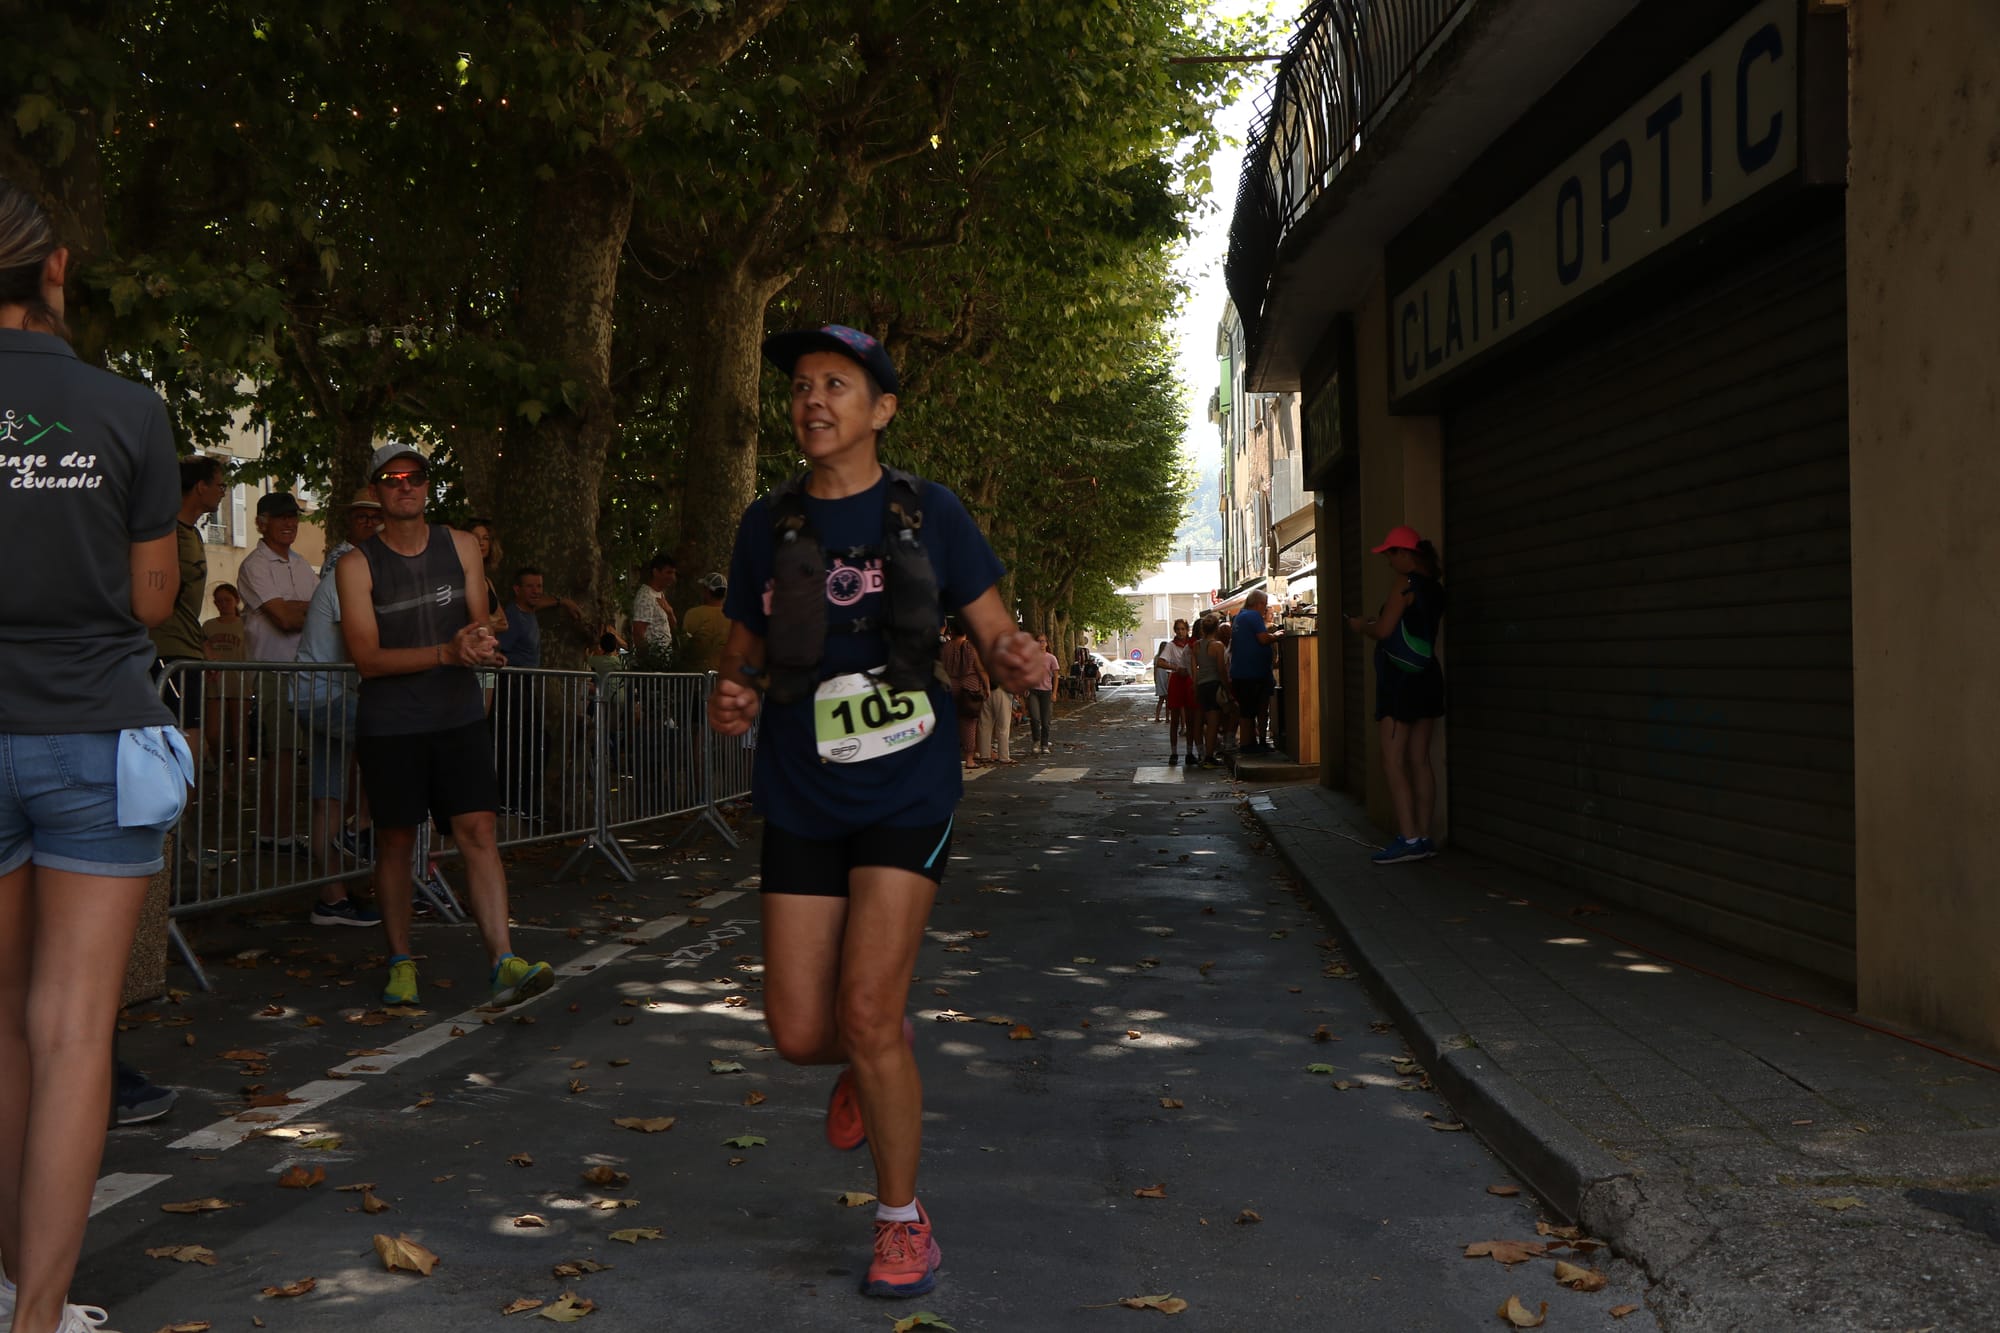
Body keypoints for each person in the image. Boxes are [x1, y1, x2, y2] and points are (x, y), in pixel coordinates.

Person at [707, 323, 1038, 1301]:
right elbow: (741, 650)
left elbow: (995, 628)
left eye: (836, 384)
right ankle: (864, 1059)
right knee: (799, 1030)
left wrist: (1020, 657)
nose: (812, 399)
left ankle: (902, 1222)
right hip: (800, 788)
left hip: (905, 784)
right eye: (802, 385)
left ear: (879, 409)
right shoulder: (766, 525)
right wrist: (728, 690)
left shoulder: (929, 511)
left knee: (867, 1010)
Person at [0, 175, 189, 1333]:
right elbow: (156, 593)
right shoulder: (129, 409)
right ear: (55, 272)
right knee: (71, 1028)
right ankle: (41, 1316)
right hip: (92, 734)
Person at [334, 443, 553, 1008]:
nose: (404, 486)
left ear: (428, 486)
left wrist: (481, 646)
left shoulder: (460, 546)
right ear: (376, 491)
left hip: (457, 715)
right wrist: (446, 654)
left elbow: (479, 623)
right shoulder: (356, 565)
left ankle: (503, 959)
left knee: (480, 831)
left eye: (414, 477)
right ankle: (401, 959)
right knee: (396, 841)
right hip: (391, 724)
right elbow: (366, 658)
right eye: (391, 478)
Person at [294, 490, 384, 925]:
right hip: (323, 695)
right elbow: (360, 646)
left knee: (326, 799)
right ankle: (362, 827)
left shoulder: (357, 572)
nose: (373, 525)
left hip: (321, 694)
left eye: (377, 518)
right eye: (363, 517)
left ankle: (332, 898)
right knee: (389, 733)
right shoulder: (348, 574)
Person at [1344, 525, 1447, 864]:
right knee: (1420, 759)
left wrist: (1362, 626)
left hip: (1400, 683)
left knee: (1392, 758)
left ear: (1406, 554)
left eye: (1391, 554)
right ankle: (1425, 836)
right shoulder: (1435, 588)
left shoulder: (1405, 584)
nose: (1388, 561)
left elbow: (1385, 630)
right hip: (1428, 677)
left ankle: (1409, 836)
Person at [235, 490, 318, 850]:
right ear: (261, 522)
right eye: (281, 517)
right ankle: (273, 833)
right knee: (280, 755)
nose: (289, 523)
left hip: (306, 671)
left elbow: (321, 614)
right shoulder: (254, 564)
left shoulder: (300, 563)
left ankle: (285, 832)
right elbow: (285, 618)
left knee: (300, 754)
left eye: (294, 517)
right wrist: (304, 610)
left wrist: (300, 610)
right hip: (274, 670)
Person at [150, 455, 226, 746]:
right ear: (199, 487)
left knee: (192, 732)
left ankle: (189, 793)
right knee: (182, 735)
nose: (223, 492)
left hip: (185, 649)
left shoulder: (192, 533)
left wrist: (202, 645)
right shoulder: (164, 532)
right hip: (165, 651)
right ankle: (181, 793)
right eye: (220, 485)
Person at [200, 582, 250, 783]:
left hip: (240, 682)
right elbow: (202, 647)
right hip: (215, 683)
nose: (223, 604)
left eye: (226, 600)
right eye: (219, 601)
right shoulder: (209, 625)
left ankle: (241, 781)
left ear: (236, 600)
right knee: (213, 733)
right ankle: (224, 772)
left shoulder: (246, 624)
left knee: (239, 735)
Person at [464, 516, 509, 714]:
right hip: (466, 657)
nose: (481, 542)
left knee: (481, 718)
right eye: (475, 537)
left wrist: (484, 622)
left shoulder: (487, 581)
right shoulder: (460, 576)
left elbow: (504, 622)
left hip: (487, 658)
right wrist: (486, 622)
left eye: (486, 538)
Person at [1230, 591, 1282, 756]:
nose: (1265, 608)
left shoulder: (1240, 616)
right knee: (1252, 710)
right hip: (1252, 673)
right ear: (1258, 603)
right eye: (1265, 604)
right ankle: (1250, 744)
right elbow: (1263, 639)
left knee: (1249, 710)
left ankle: (1252, 743)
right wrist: (1276, 635)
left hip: (1243, 672)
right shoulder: (1253, 616)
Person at [942, 619, 985, 769]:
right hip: (970, 687)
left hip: (950, 686)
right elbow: (980, 668)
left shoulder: (945, 647)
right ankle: (969, 759)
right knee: (969, 723)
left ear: (952, 632)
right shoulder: (971, 647)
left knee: (949, 722)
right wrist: (986, 685)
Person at [1192, 616, 1231, 768]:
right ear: (1216, 629)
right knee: (1213, 723)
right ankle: (1209, 756)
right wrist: (1226, 688)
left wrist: (1195, 687)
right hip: (1214, 685)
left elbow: (1195, 670)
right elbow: (1221, 669)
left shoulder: (1196, 646)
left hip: (1201, 686)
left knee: (1201, 721)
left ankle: (1202, 753)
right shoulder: (1218, 646)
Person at [630, 552, 677, 667]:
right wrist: (647, 663)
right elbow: (638, 632)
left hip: (664, 662)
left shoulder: (660, 595)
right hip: (653, 665)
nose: (672, 577)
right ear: (656, 572)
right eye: (668, 572)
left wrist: (670, 613)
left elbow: (674, 627)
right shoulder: (646, 596)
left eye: (674, 573)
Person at [1159, 620, 1196, 763]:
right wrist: (1175, 668)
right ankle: (1174, 753)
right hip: (1177, 681)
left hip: (1189, 680)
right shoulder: (1171, 646)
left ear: (1187, 630)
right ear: (1175, 630)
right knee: (1175, 719)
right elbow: (1160, 662)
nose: (1180, 632)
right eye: (1178, 629)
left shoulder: (1192, 644)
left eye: (1183, 629)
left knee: (1190, 719)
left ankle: (1189, 752)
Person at [681, 572, 730, 674]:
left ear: (707, 591)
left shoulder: (693, 614)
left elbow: (683, 644)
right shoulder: (733, 617)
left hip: (696, 677)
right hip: (725, 675)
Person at [1025, 633, 1059, 755]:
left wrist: (1054, 692)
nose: (1041, 644)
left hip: (1046, 691)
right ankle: (1036, 741)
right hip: (1033, 690)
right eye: (1039, 641)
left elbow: (1056, 676)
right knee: (1034, 718)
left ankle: (1044, 744)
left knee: (1046, 720)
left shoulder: (1051, 658)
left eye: (1043, 641)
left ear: (1047, 643)